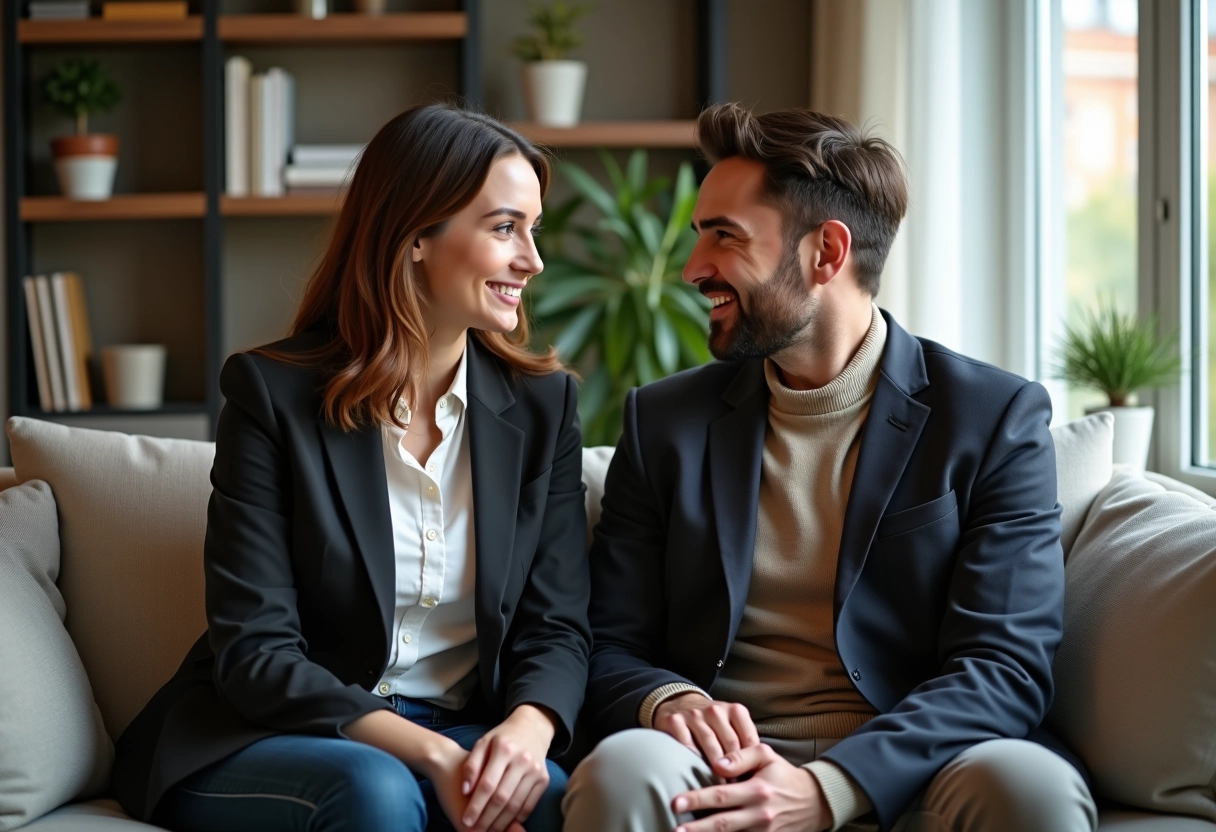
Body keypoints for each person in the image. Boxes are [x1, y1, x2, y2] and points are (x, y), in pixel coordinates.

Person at [562, 103, 1098, 832]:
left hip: (914, 763)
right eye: (698, 237)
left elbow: (1004, 666)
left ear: (826, 253)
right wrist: (666, 700)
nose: (693, 269)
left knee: (1030, 787)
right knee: (623, 771)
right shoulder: (663, 423)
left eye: (724, 236)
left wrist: (832, 786)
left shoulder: (991, 418)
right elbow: (607, 641)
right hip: (717, 765)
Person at [112, 103, 591, 832]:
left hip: (463, 720)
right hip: (276, 730)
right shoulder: (271, 395)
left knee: (549, 794)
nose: (533, 259)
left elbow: (555, 624)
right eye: (504, 228)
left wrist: (527, 731)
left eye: (533, 229)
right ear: (416, 236)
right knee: (377, 791)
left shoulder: (543, 408)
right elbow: (256, 650)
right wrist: (432, 755)